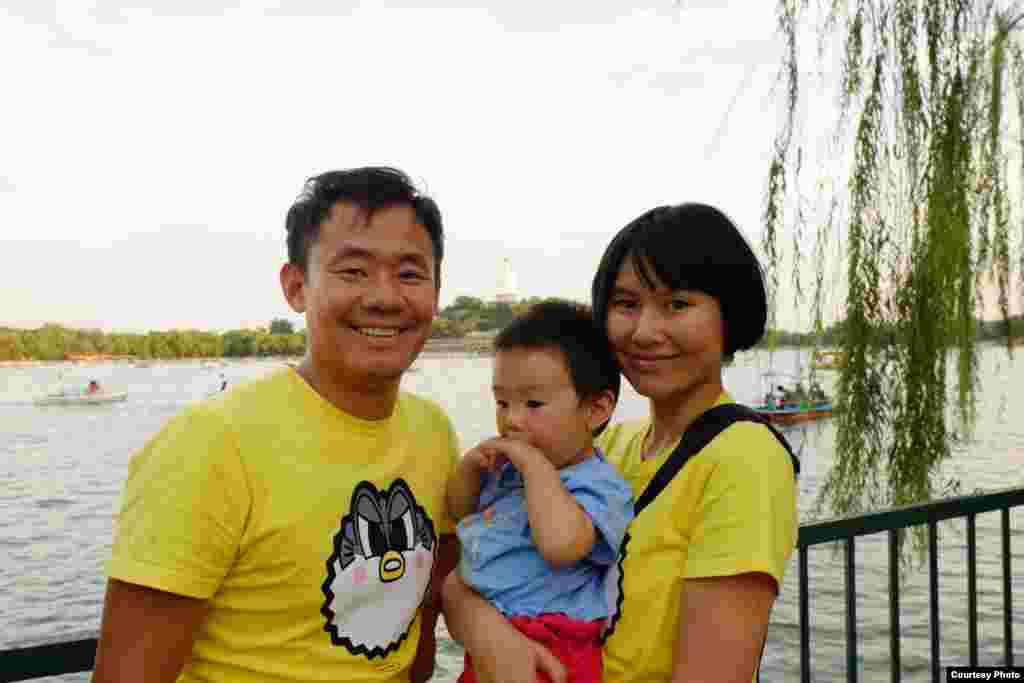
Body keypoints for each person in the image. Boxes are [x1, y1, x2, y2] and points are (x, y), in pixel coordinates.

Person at [93, 167, 461, 683]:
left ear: (436, 289)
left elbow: (422, 621)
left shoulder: (434, 433)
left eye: (409, 273)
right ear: (295, 287)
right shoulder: (211, 445)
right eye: (353, 271)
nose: (384, 297)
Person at [442, 203, 799, 683]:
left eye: (677, 304)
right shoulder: (616, 444)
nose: (645, 332)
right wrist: (494, 637)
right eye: (627, 305)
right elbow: (465, 580)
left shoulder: (743, 459)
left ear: (728, 314)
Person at [445, 301, 634, 683]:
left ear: (596, 409)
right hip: (492, 633)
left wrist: (535, 468)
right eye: (502, 402)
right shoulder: (507, 473)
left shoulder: (598, 484)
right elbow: (458, 509)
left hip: (557, 642)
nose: (512, 419)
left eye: (533, 404)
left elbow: (562, 546)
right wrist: (469, 467)